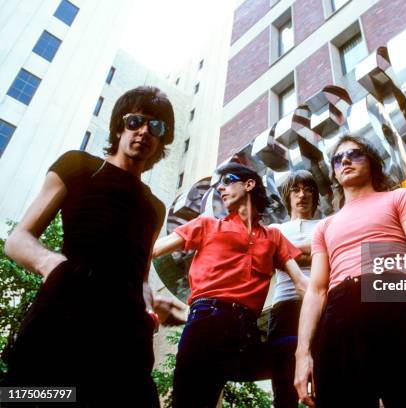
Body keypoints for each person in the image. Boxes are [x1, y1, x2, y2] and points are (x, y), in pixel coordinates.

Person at [2, 86, 185, 407]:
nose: (144, 131)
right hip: (61, 324)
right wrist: (53, 265)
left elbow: (140, 277)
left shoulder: (155, 207)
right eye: (136, 121)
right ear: (119, 127)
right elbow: (18, 240)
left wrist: (152, 305)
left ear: (161, 141)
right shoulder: (78, 165)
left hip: (125, 343)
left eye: (155, 127)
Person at [294, 135, 406, 407]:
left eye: (355, 154)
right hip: (337, 320)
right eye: (338, 158)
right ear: (334, 171)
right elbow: (316, 290)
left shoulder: (400, 198)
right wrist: (302, 354)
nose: (345, 160)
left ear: (371, 161)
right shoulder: (324, 226)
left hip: (394, 308)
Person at [152, 162, 309, 408]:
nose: (221, 189)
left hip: (245, 335)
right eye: (218, 185)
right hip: (206, 323)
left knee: (294, 348)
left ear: (248, 184)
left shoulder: (273, 237)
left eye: (227, 181)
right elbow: (152, 251)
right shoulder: (207, 225)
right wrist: (147, 298)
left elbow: (302, 284)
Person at [268, 170, 320, 408]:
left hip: (319, 301)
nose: (302, 195)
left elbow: (329, 253)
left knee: (326, 372)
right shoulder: (275, 229)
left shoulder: (326, 224)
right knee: (283, 382)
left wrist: (285, 252)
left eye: (308, 189)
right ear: (287, 196)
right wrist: (311, 252)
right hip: (285, 307)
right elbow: (268, 259)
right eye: (296, 190)